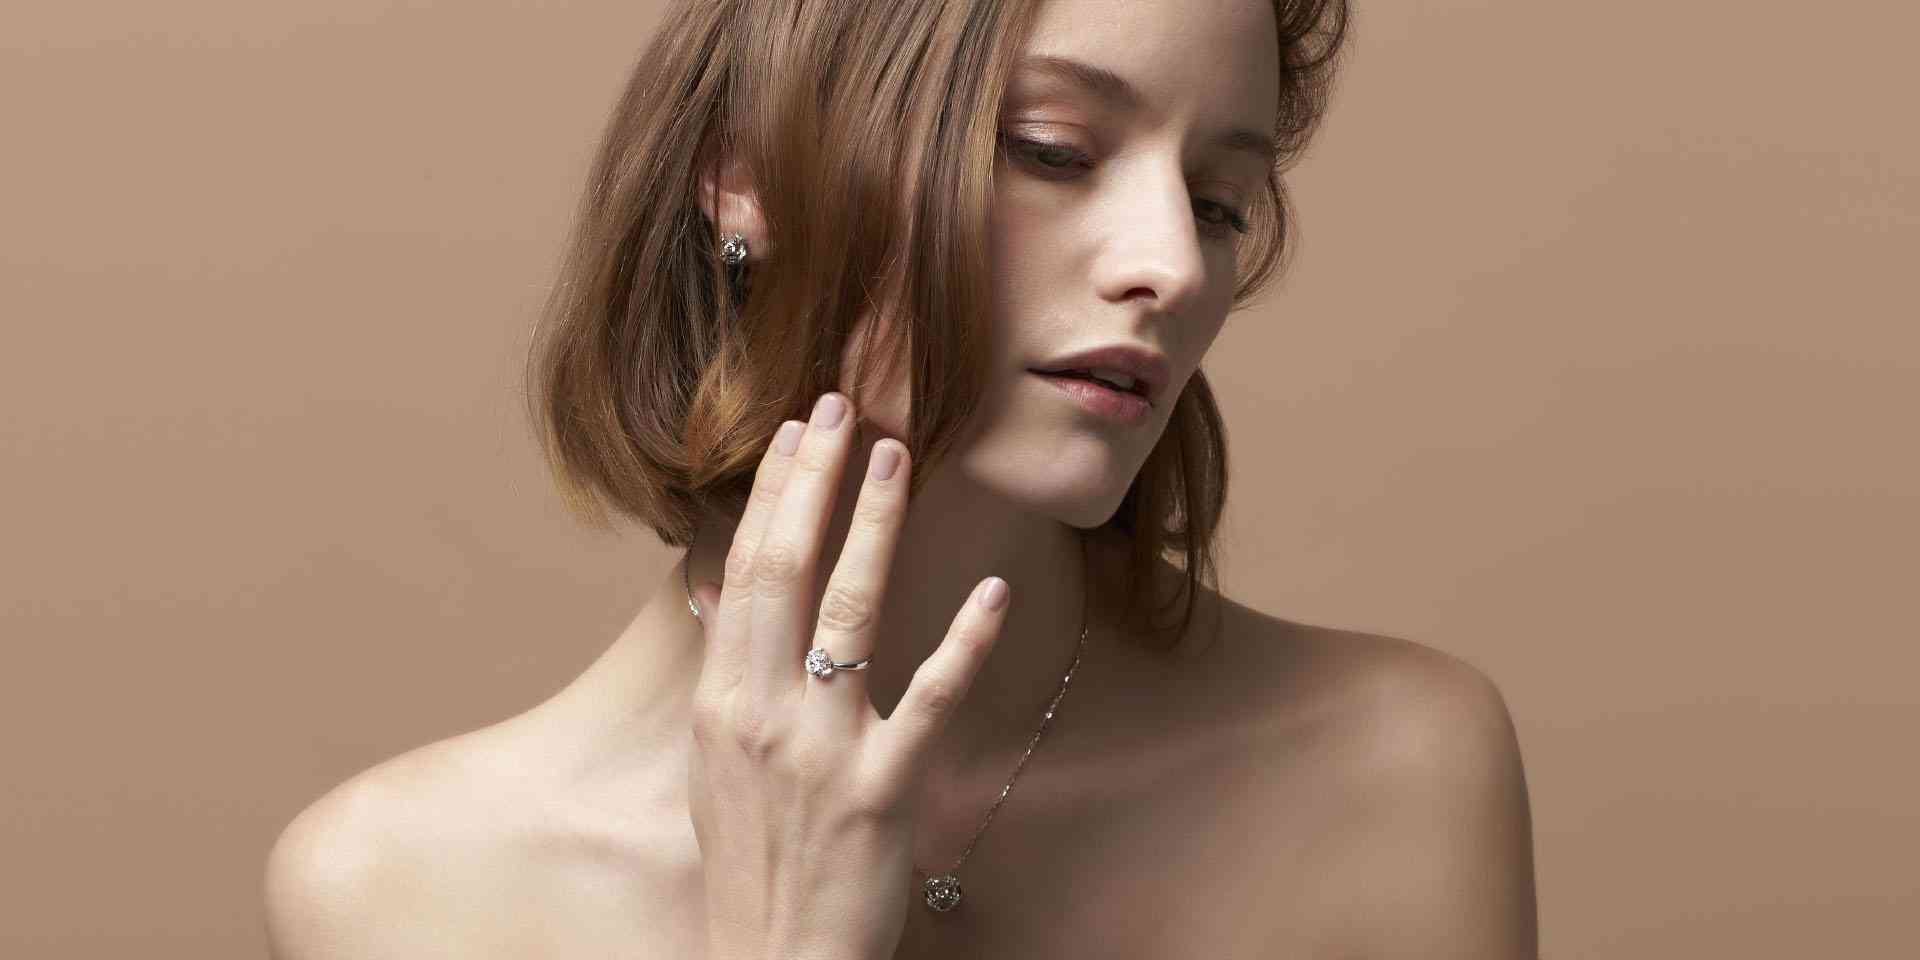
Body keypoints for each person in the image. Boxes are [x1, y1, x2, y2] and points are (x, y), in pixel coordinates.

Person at [264, 0, 1538, 956]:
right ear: (745, 175)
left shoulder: (1392, 771)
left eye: (1219, 202)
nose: (1171, 264)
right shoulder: (396, 895)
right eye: (1053, 149)